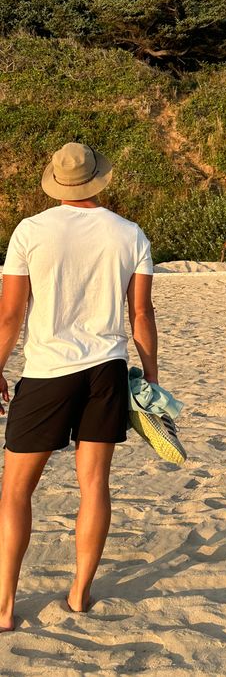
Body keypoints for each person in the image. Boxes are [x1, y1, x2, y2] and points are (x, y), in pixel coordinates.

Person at [0, 142, 158, 631]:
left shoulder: (30, 231)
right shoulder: (130, 234)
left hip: (47, 372)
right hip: (105, 371)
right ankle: (79, 594)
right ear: (97, 180)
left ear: (56, 181)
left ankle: (4, 608)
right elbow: (141, 314)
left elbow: (10, 314)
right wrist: (151, 378)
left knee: (15, 492)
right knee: (94, 485)